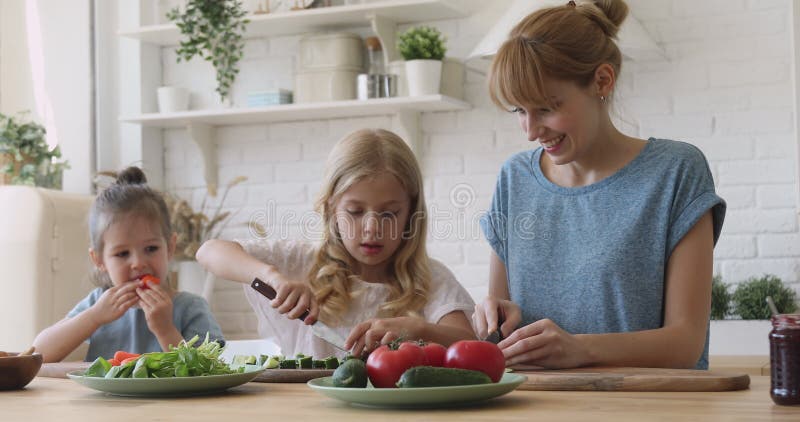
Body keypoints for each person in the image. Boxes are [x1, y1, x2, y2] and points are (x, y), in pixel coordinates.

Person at [473, 0, 726, 370]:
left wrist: (580, 349)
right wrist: (493, 317)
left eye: (545, 108)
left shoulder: (675, 172)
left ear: (602, 81)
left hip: (648, 405)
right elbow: (500, 331)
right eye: (518, 111)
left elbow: (686, 341)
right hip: (536, 405)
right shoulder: (514, 179)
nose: (530, 131)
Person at [196, 129, 475, 358]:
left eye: (389, 213)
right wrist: (273, 278)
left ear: (411, 214)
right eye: (355, 211)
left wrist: (420, 330)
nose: (372, 228)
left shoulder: (430, 279)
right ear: (331, 209)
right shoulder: (298, 263)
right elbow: (208, 251)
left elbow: (472, 344)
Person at [33, 167, 225, 362]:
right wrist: (93, 317)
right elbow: (38, 354)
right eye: (122, 253)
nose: (138, 264)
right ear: (99, 260)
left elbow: (208, 368)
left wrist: (165, 330)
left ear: (169, 248)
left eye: (150, 249)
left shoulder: (190, 307)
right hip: (108, 394)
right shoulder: (99, 304)